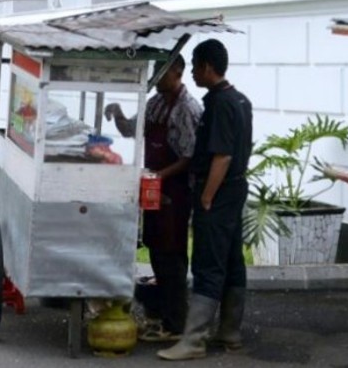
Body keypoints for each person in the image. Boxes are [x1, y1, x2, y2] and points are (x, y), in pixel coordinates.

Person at [158, 38, 253, 362]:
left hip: (219, 190)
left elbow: (222, 156)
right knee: (231, 259)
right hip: (237, 189)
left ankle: (194, 339)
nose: (193, 74)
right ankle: (229, 331)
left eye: (196, 67)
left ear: (208, 67)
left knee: (207, 262)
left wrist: (208, 196)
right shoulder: (241, 100)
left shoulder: (220, 104)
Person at [103, 54, 202, 343]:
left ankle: (176, 324)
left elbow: (188, 157)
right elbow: (130, 129)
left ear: (178, 71)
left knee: (172, 256)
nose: (156, 77)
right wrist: (118, 112)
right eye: (155, 72)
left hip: (177, 192)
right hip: (155, 188)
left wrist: (160, 176)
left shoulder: (187, 108)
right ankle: (164, 315)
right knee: (157, 249)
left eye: (162, 71)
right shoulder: (156, 103)